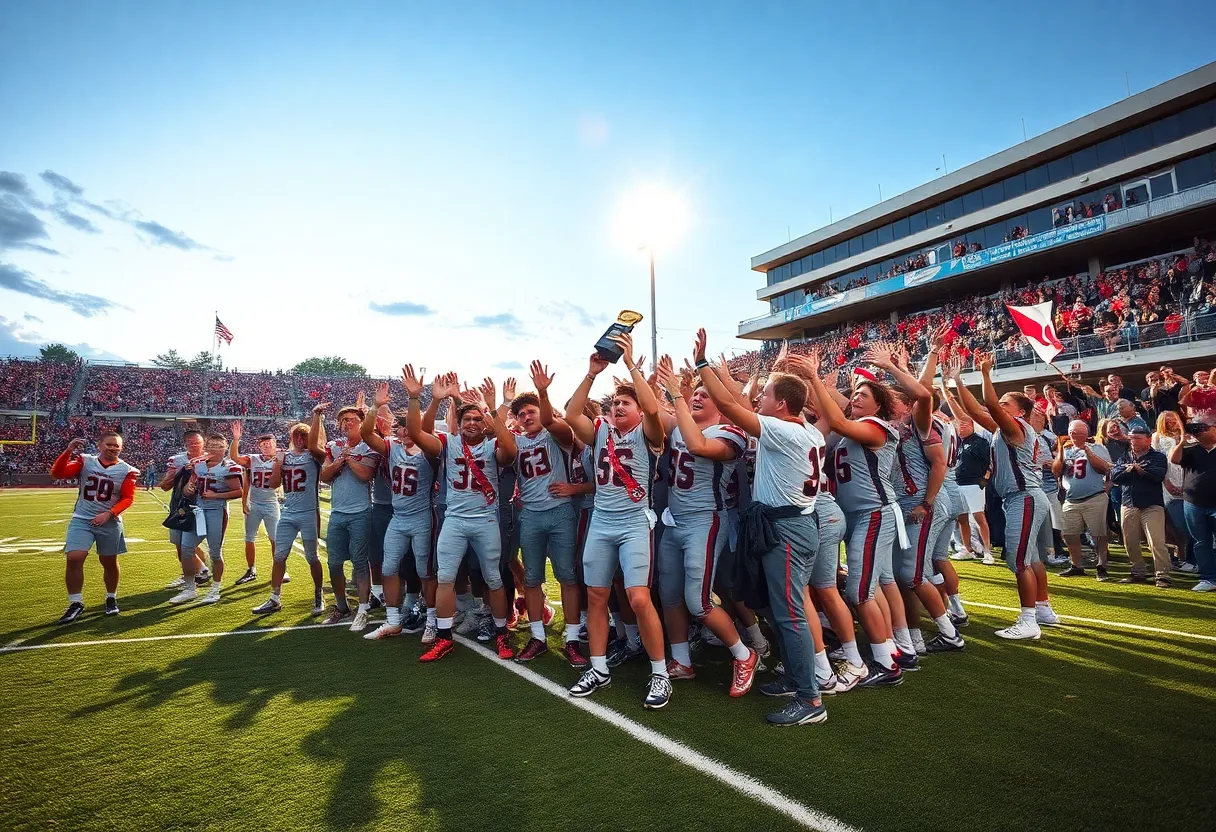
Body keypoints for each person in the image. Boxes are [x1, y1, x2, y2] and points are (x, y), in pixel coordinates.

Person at [696, 333, 825, 726]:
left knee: (789, 615)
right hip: (787, 524)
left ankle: (811, 699)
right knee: (777, 607)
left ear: (781, 404)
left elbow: (729, 405)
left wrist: (702, 363)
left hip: (786, 528)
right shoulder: (807, 429)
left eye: (766, 394)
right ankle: (793, 677)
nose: (759, 400)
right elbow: (738, 402)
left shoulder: (783, 430)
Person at [562, 333, 672, 709]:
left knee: (639, 598)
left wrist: (629, 366)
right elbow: (571, 413)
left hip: (633, 522)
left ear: (639, 409)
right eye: (615, 403)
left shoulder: (647, 431)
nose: (619, 406)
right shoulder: (601, 432)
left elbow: (656, 412)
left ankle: (660, 673)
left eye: (627, 402)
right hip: (602, 522)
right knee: (596, 595)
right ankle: (598, 668)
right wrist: (592, 374)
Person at [653, 355, 758, 694]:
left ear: (721, 405)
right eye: (693, 394)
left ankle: (744, 655)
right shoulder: (682, 423)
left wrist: (679, 397)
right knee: (669, 595)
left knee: (698, 601)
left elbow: (698, 445)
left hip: (706, 520)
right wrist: (634, 367)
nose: (696, 397)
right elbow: (653, 412)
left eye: (704, 395)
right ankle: (682, 661)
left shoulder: (730, 432)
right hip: (675, 521)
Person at [803, 355, 904, 687]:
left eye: (863, 395)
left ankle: (886, 664)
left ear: (878, 406)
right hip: (857, 515)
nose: (855, 398)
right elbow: (826, 413)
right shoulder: (851, 432)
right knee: (867, 589)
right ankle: (890, 650)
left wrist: (817, 380)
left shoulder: (877, 428)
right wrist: (817, 385)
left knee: (860, 591)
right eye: (855, 394)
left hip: (874, 512)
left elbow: (839, 421)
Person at [407, 373, 518, 662]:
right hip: (455, 520)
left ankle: (502, 632)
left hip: (485, 519)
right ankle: (444, 637)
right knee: (445, 577)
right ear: (460, 422)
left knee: (493, 577)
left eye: (477, 420)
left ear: (485, 424)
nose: (471, 423)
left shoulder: (493, 445)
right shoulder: (449, 443)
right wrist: (425, 398)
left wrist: (495, 410)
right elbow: (418, 432)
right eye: (466, 419)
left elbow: (511, 451)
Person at [947, 355, 1058, 640]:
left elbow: (991, 406)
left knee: (1018, 560)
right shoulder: (1006, 429)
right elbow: (974, 411)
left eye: (1008, 403)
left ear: (1019, 411)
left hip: (1025, 496)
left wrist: (985, 374)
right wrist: (959, 382)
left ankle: (1028, 620)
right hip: (1023, 497)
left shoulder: (1016, 426)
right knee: (1031, 557)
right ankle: (1043, 609)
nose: (999, 407)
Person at [869, 341, 964, 656]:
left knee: (912, 574)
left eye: (894, 399)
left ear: (906, 405)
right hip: (903, 506)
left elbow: (923, 393)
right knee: (900, 574)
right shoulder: (890, 424)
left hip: (921, 504)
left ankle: (950, 632)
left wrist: (926, 502)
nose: (889, 403)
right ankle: (913, 635)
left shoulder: (918, 421)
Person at [509, 362, 585, 666]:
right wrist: (498, 405)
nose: (528, 417)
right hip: (531, 515)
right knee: (532, 579)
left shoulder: (556, 434)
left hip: (560, 512)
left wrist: (542, 391)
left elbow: (559, 427)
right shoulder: (514, 440)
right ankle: (538, 636)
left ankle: (573, 637)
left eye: (532, 411)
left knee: (567, 576)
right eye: (522, 414)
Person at [359, 379, 439, 641]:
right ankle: (393, 621)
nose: (399, 433)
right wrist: (375, 407)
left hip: (421, 518)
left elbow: (422, 431)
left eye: (402, 429)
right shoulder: (392, 447)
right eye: (397, 429)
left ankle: (431, 620)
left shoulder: (427, 451)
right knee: (389, 567)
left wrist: (417, 403)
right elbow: (367, 434)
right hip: (398, 517)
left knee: (425, 571)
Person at [50, 433, 139, 624]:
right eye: (109, 444)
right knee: (74, 557)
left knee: (108, 561)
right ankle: (76, 603)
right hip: (82, 518)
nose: (113, 448)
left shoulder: (127, 470)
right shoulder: (86, 461)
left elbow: (128, 498)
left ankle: (111, 597)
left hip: (109, 521)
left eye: (116, 446)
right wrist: (68, 452)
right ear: (100, 445)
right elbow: (58, 473)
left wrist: (109, 514)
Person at [251, 412, 327, 617]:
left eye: (304, 436)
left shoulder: (314, 455)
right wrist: (278, 463)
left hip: (309, 513)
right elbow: (274, 484)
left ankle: (319, 595)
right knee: (279, 556)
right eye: (297, 436)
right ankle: (275, 598)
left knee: (312, 557)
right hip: (288, 513)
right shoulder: (285, 457)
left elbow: (317, 449)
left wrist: (316, 418)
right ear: (291, 438)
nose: (300, 440)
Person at [318, 395, 381, 631]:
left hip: (360, 512)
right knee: (334, 563)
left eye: (352, 419)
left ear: (362, 422)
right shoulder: (333, 446)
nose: (347, 423)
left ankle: (363, 609)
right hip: (337, 512)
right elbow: (324, 477)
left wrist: (348, 459)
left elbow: (366, 475)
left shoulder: (369, 445)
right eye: (343, 420)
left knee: (359, 563)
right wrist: (339, 460)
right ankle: (342, 606)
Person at [170, 433, 244, 604]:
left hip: (216, 512)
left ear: (225, 448)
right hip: (197, 511)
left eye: (219, 446)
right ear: (206, 447)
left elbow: (239, 491)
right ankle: (190, 589)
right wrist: (189, 488)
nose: (215, 449)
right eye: (211, 445)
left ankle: (215, 589)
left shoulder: (229, 467)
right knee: (186, 548)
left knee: (215, 552)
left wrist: (216, 495)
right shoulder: (198, 465)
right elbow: (191, 486)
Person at [1110, 426, 1171, 588]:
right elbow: (1115, 476)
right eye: (1131, 438)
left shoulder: (1157, 457)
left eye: (1137, 438)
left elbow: (1157, 475)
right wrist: (1134, 470)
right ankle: (1138, 571)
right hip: (1128, 503)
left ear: (1148, 440)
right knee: (1130, 540)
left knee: (1156, 540)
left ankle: (1163, 574)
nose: (1133, 441)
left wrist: (1136, 469)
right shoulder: (1125, 456)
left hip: (1152, 504)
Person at [1053, 420, 1112, 580]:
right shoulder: (1066, 450)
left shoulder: (1097, 447)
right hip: (1071, 498)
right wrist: (1060, 450)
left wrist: (1088, 451)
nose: (1075, 436)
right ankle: (1076, 565)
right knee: (1069, 534)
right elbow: (1056, 471)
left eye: (1079, 433)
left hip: (1094, 496)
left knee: (1099, 534)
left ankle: (1101, 566)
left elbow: (1105, 468)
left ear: (1086, 434)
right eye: (1072, 432)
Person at [229, 421, 281, 586]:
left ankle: (280, 568)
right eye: (263, 444)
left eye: (269, 444)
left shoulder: (281, 457)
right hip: (254, 503)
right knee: (249, 538)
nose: (266, 447)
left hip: (272, 503)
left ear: (275, 445)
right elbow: (234, 457)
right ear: (259, 447)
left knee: (275, 538)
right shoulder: (253, 459)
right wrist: (236, 440)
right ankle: (251, 569)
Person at [159, 429, 210, 588]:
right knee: (179, 542)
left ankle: (202, 571)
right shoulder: (177, 460)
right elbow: (165, 486)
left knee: (192, 543)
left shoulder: (210, 459)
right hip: (180, 505)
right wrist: (181, 472)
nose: (195, 445)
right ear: (185, 444)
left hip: (203, 505)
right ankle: (195, 572)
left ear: (203, 443)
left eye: (198, 442)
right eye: (191, 443)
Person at [1170, 421, 1216, 592]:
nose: (1199, 433)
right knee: (1201, 542)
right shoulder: (1191, 450)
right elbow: (1174, 459)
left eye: (1204, 428)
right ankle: (1209, 578)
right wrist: (1182, 440)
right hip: (1194, 503)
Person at [1152, 410, 1194, 572]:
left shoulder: (1190, 438)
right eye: (1167, 421)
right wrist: (1166, 482)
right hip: (1168, 485)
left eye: (1174, 420)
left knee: (1191, 524)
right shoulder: (1158, 438)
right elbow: (1157, 462)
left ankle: (1187, 558)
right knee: (1178, 524)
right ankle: (1179, 556)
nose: (1171, 423)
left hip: (1189, 484)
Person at [950, 414, 994, 564]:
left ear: (971, 425)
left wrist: (984, 480)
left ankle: (987, 550)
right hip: (959, 483)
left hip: (974, 483)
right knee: (962, 518)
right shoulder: (958, 443)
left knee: (978, 517)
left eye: (964, 424)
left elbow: (989, 462)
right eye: (959, 424)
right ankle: (967, 549)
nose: (961, 427)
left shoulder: (980, 442)